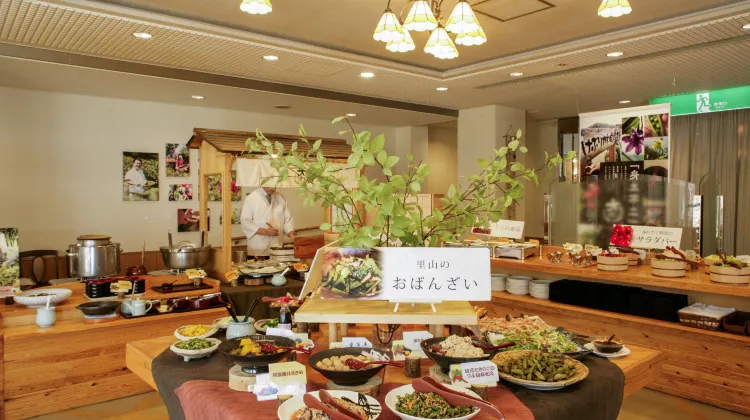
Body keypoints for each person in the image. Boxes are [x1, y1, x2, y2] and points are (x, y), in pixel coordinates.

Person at [241, 186, 295, 258]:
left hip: (277, 248)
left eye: (274, 186)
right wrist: (265, 231)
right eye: (270, 186)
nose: (272, 188)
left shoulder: (280, 198)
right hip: (258, 250)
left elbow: (288, 220)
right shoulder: (251, 198)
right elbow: (245, 222)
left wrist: (292, 236)